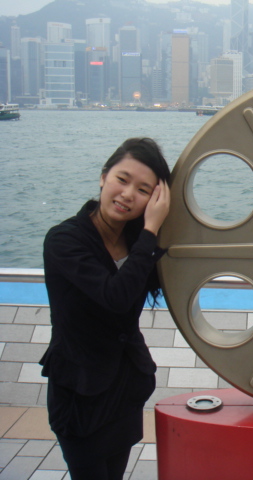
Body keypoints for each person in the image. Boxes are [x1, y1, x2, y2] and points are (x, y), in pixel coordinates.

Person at [40, 137, 171, 479]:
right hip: (80, 392)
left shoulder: (136, 240)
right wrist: (151, 229)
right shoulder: (64, 240)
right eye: (122, 180)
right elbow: (115, 296)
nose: (128, 195)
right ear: (103, 177)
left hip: (125, 388)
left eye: (143, 190)